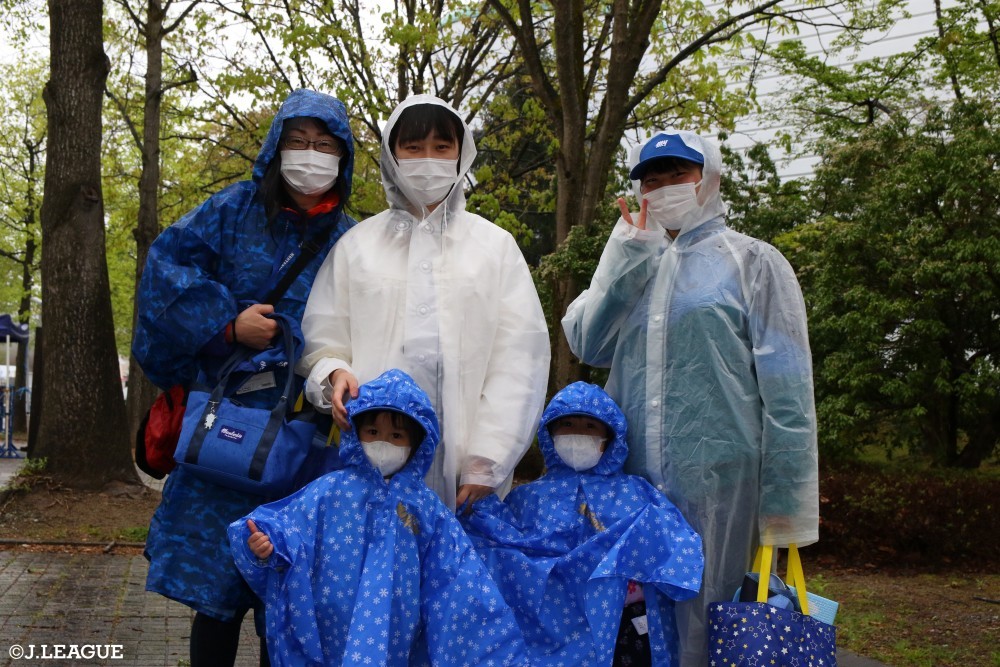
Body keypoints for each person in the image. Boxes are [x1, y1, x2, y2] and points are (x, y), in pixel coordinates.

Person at [562, 130, 820, 666]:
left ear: (711, 179)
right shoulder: (634, 261)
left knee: (717, 622)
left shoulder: (754, 262)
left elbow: (789, 393)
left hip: (723, 485)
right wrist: (628, 256)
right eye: (650, 180)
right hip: (633, 488)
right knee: (638, 628)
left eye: (678, 175)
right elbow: (587, 342)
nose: (663, 189)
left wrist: (786, 506)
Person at [132, 89, 356, 667]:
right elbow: (164, 266)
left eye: (325, 144)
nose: (311, 155)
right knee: (217, 595)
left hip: (302, 440)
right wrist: (225, 325)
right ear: (276, 146)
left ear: (345, 155)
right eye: (299, 142)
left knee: (286, 586)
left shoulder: (352, 239)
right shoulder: (230, 210)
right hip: (225, 429)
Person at [297, 94, 550, 511]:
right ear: (392, 156)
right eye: (413, 148)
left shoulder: (494, 248)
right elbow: (322, 339)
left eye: (441, 147)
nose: (427, 160)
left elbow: (519, 361)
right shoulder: (357, 246)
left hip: (465, 476)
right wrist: (332, 372)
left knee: (455, 571)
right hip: (370, 460)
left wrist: (487, 461)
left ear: (460, 155)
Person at [229, 369, 530, 667]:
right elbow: (290, 529)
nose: (383, 443)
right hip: (331, 626)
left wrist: (493, 643)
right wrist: (266, 544)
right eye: (373, 432)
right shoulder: (330, 490)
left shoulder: (425, 506)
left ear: (417, 444)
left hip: (399, 632)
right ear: (355, 431)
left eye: (396, 435)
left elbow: (457, 571)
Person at [460, 381, 703, 666]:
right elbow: (500, 538)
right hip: (550, 621)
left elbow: (675, 538)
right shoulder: (528, 496)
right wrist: (477, 506)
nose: (577, 435)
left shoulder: (635, 491)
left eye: (590, 427)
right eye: (567, 425)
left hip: (621, 622)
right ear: (550, 434)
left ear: (608, 438)